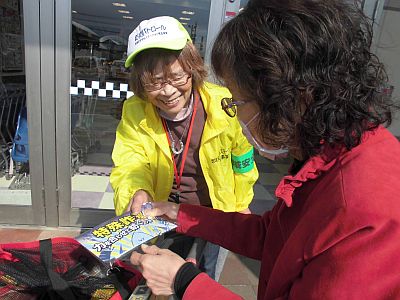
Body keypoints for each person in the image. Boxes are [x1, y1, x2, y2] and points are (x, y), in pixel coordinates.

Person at [129, 0, 400, 299]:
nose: (235, 115)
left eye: (237, 101)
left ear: (284, 95)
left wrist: (183, 281)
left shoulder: (364, 206)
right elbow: (272, 236)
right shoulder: (330, 153)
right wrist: (180, 213)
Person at [110, 16, 258, 281]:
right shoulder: (134, 110)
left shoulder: (222, 103)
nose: (168, 91)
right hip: (160, 215)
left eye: (177, 77)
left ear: (192, 68)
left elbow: (242, 157)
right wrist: (137, 191)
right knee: (158, 281)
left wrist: (240, 204)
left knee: (205, 275)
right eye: (155, 82)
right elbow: (130, 161)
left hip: (212, 214)